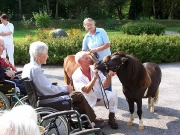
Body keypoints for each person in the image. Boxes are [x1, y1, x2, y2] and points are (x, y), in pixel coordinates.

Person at [21, 41, 106, 128]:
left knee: (76, 95)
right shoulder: (36, 70)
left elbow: (44, 87)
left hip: (39, 99)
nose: (47, 56)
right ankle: (90, 122)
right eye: (46, 53)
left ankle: (86, 120)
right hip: (47, 100)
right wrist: (66, 89)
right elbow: (48, 89)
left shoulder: (27, 66)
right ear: (39, 55)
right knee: (78, 95)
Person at [72, 51, 119, 129]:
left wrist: (109, 75)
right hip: (87, 99)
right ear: (79, 61)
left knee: (113, 95)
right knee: (90, 124)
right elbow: (86, 90)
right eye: (86, 58)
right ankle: (92, 119)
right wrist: (94, 77)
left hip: (99, 95)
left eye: (89, 58)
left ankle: (111, 117)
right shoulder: (76, 75)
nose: (89, 60)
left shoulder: (94, 69)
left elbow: (106, 85)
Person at [82, 17, 112, 91]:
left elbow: (107, 44)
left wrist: (96, 49)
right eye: (87, 25)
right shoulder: (86, 36)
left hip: (105, 60)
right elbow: (84, 50)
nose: (89, 26)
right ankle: (99, 94)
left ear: (94, 24)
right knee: (96, 77)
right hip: (94, 61)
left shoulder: (101, 31)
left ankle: (108, 94)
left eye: (90, 24)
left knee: (106, 77)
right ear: (84, 26)